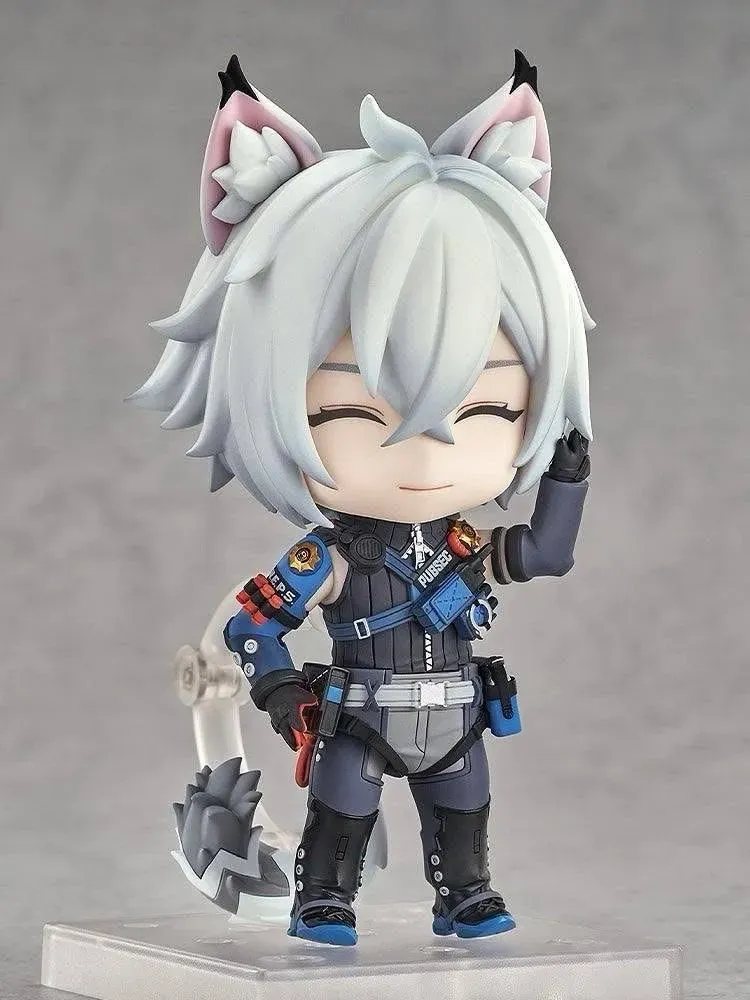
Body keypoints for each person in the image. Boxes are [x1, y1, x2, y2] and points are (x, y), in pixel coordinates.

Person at [131, 49, 595, 946]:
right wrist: (279, 695)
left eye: (488, 408)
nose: (427, 450)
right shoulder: (333, 555)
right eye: (350, 410)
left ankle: (465, 897)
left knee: (464, 821)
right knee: (340, 822)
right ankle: (324, 899)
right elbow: (253, 627)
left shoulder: (464, 542)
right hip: (359, 716)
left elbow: (544, 553)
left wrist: (566, 480)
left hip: (456, 714)